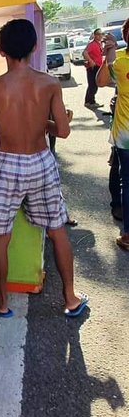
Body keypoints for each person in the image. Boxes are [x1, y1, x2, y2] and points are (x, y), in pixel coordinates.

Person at [0, 19, 87, 319]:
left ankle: (1, 302)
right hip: (41, 160)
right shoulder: (49, 83)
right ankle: (71, 297)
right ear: (35, 47)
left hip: (8, 163)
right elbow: (62, 131)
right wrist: (45, 122)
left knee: (1, 236)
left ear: (1, 50)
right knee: (57, 230)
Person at [97, 18, 129, 251]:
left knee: (126, 181)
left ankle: (127, 234)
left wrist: (109, 56)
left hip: (124, 137)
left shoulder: (121, 63)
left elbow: (101, 81)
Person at [83, 28, 104, 109]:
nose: (100, 36)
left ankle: (88, 101)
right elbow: (84, 53)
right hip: (93, 67)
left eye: (101, 34)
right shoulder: (92, 44)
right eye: (98, 34)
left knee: (93, 85)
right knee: (93, 85)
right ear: (94, 35)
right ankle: (91, 102)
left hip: (98, 66)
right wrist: (91, 61)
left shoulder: (99, 43)